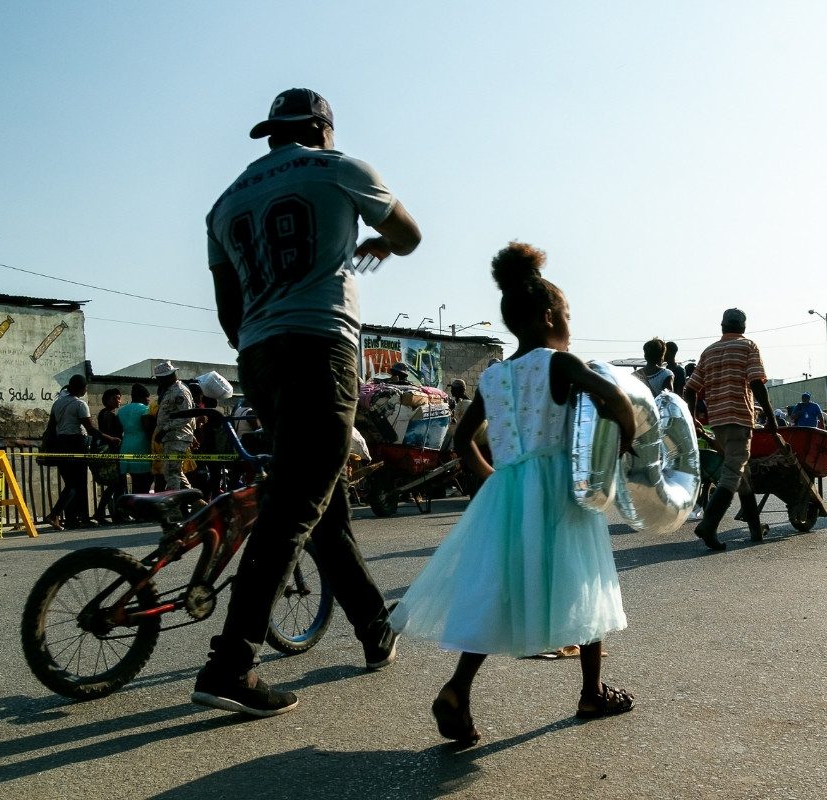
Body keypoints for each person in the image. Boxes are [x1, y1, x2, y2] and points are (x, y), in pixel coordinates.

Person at [197, 87, 422, 716]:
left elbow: (227, 308)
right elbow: (408, 234)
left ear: (270, 135)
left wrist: (257, 344)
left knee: (323, 504)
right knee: (296, 504)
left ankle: (374, 628)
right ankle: (231, 663)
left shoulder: (223, 202)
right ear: (324, 128)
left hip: (259, 353)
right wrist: (378, 246)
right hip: (321, 344)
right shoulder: (342, 167)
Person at [389, 242, 636, 744]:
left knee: (498, 586)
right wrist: (626, 439)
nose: (569, 325)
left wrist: (495, 484)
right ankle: (592, 691)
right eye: (567, 315)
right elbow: (609, 396)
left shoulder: (494, 375)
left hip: (510, 490)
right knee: (581, 576)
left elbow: (462, 439)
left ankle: (459, 687)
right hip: (559, 489)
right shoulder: (557, 362)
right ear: (549, 317)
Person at [683, 308, 777, 549]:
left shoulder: (709, 351)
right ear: (743, 327)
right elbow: (757, 383)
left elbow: (691, 388)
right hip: (738, 418)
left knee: (741, 474)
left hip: (718, 422)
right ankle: (708, 525)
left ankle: (755, 531)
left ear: (722, 326)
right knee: (733, 472)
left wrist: (692, 416)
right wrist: (770, 416)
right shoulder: (748, 346)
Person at [45, 375, 119, 530]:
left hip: (61, 443)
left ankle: (72, 519)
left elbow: (51, 428)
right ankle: (56, 514)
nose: (86, 390)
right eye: (86, 388)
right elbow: (91, 429)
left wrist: (47, 445)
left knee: (70, 483)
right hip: (77, 443)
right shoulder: (80, 404)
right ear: (81, 388)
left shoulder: (57, 404)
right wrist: (110, 439)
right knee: (76, 483)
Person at [153, 361, 197, 491]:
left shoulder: (180, 392)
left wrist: (165, 429)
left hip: (177, 436)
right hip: (171, 437)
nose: (158, 382)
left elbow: (186, 416)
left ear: (167, 376)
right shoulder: (169, 391)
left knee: (171, 473)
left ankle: (174, 507)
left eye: (159, 379)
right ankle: (196, 501)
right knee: (174, 472)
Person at [92, 388, 127, 523]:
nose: (118, 401)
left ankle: (114, 514)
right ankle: (104, 512)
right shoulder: (108, 415)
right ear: (106, 401)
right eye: (114, 398)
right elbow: (112, 434)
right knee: (116, 484)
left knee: (117, 485)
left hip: (113, 453)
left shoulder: (107, 414)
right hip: (112, 454)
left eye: (119, 398)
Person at [117, 384, 153, 495]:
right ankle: (141, 509)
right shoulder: (145, 409)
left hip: (126, 446)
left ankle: (135, 508)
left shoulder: (121, 411)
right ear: (142, 397)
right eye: (148, 398)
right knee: (145, 483)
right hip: (142, 446)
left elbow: (118, 430)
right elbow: (147, 429)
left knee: (136, 481)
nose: (149, 400)